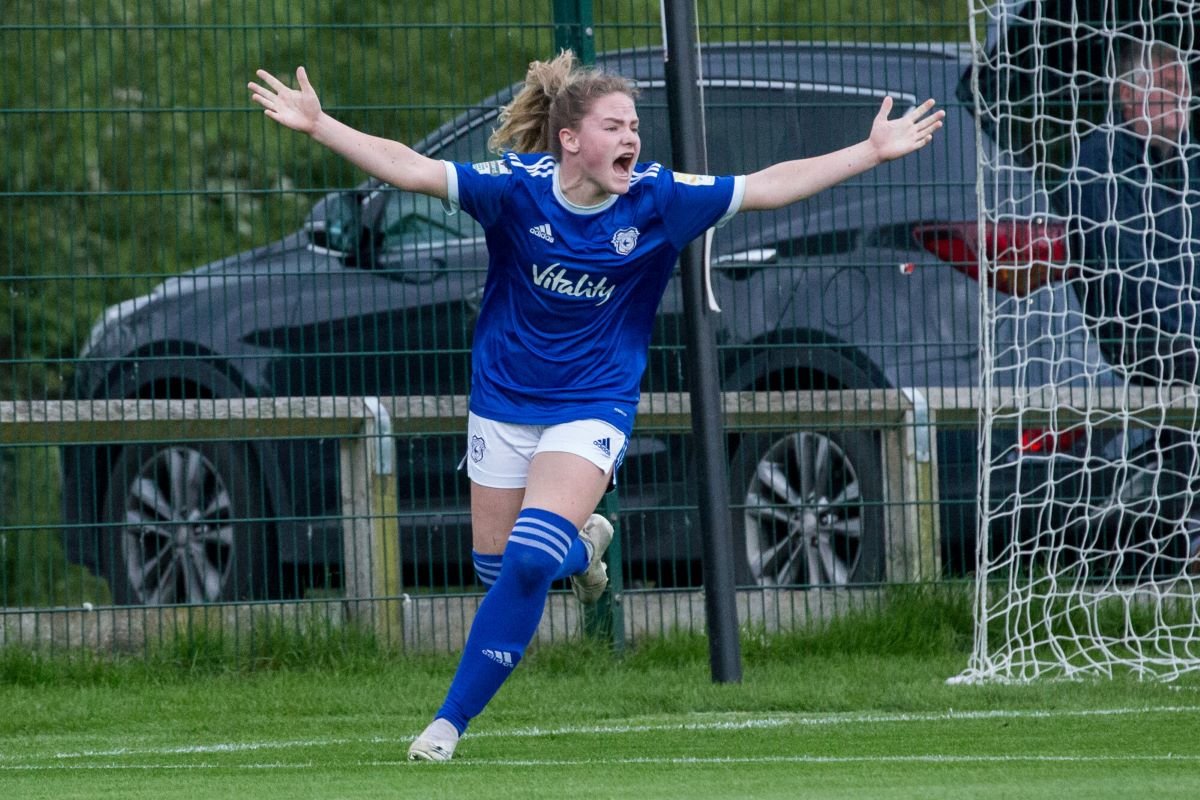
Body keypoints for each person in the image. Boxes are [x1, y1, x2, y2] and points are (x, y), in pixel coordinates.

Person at [248, 50, 944, 762]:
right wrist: (322, 125)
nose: (633, 138)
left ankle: (445, 726)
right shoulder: (515, 190)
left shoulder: (658, 198)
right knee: (499, 570)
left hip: (591, 405)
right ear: (570, 139)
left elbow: (765, 186)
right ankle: (585, 547)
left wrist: (870, 149)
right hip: (503, 401)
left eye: (636, 126)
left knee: (524, 564)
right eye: (616, 125)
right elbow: (412, 169)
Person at [1069, 40, 1200, 384]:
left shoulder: (1190, 163)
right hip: (1138, 347)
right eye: (1170, 86)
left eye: (1185, 87)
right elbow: (1127, 274)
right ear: (1129, 94)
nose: (1182, 97)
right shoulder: (1102, 162)